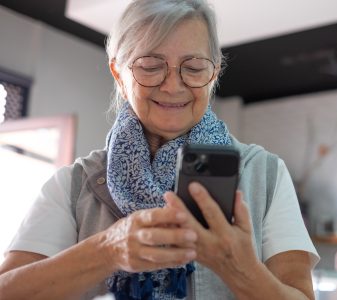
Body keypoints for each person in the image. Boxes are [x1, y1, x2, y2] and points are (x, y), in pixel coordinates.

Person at [0, 0, 319, 299]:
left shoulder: (264, 174)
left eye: (193, 67)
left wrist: (240, 270)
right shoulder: (74, 185)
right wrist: (108, 250)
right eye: (151, 66)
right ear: (119, 75)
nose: (172, 85)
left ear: (214, 73)